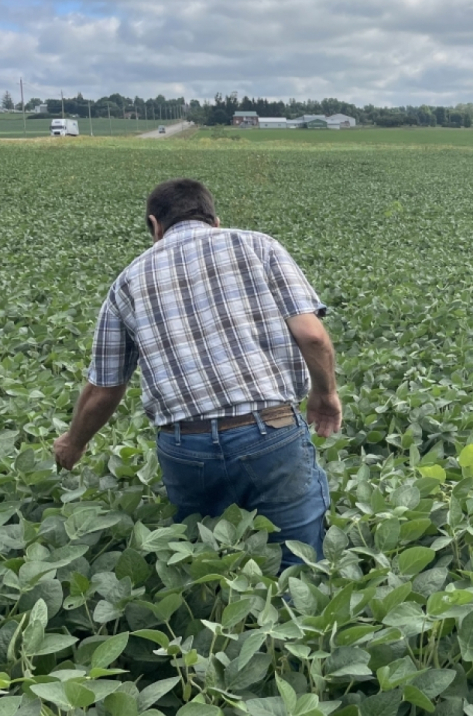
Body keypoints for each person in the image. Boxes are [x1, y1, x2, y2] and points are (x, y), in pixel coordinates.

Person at [52, 178, 342, 570]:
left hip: (185, 447)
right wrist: (324, 394)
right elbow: (312, 335)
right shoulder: (258, 246)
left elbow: (104, 388)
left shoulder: (127, 281)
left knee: (203, 562)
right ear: (215, 220)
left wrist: (73, 443)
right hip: (269, 432)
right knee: (296, 563)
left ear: (156, 225)